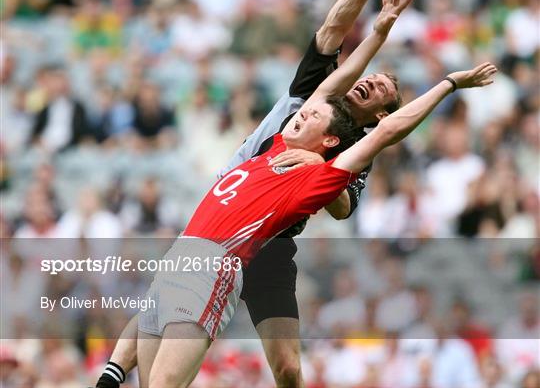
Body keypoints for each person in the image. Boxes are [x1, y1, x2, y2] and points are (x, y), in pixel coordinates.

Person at [96, 0, 419, 388]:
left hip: (275, 237)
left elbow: (343, 209)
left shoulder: (359, 150)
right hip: (237, 197)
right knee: (178, 288)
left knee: (287, 366)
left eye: (382, 88)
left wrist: (323, 167)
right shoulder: (316, 94)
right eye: (373, 76)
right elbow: (333, 30)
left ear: (380, 114)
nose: (371, 81)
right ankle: (112, 373)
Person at [137, 61, 497, 387]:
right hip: (184, 257)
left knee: (176, 382)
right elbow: (328, 80)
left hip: (223, 264)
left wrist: (448, 83)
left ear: (330, 139)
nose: (301, 114)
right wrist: (376, 26)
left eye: (312, 117)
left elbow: (386, 135)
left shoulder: (323, 175)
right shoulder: (279, 142)